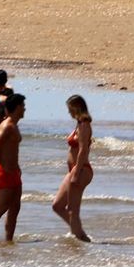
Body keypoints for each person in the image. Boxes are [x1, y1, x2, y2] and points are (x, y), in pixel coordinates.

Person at [52, 94, 94, 241]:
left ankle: (81, 239)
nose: (68, 112)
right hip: (74, 169)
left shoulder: (84, 125)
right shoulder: (78, 124)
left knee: (72, 211)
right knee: (57, 205)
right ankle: (79, 234)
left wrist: (76, 171)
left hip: (81, 170)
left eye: (70, 109)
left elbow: (83, 150)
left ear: (76, 108)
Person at [0, 93, 26, 241]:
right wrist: (3, 165)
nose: (25, 109)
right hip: (4, 172)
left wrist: (16, 167)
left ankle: (9, 241)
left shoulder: (14, 125)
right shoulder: (6, 125)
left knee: (15, 209)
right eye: (23, 106)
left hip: (14, 172)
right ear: (16, 108)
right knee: (2, 208)